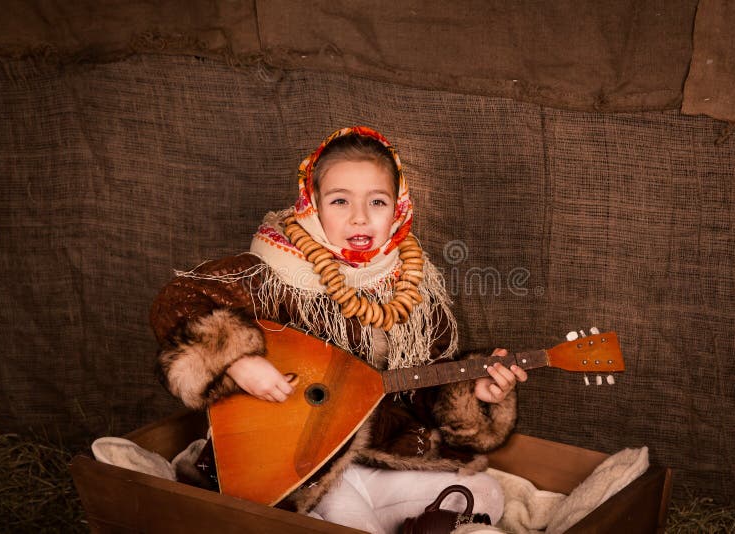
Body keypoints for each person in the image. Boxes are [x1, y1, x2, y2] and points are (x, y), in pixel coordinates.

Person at [150, 126, 528, 533]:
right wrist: (237, 361)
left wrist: (473, 392)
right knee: (354, 525)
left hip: (373, 456)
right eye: (340, 201)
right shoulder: (270, 273)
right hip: (295, 462)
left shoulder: (413, 286)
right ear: (312, 204)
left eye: (377, 201)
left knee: (487, 493)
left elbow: (422, 391)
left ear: (399, 208)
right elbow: (178, 301)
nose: (360, 217)